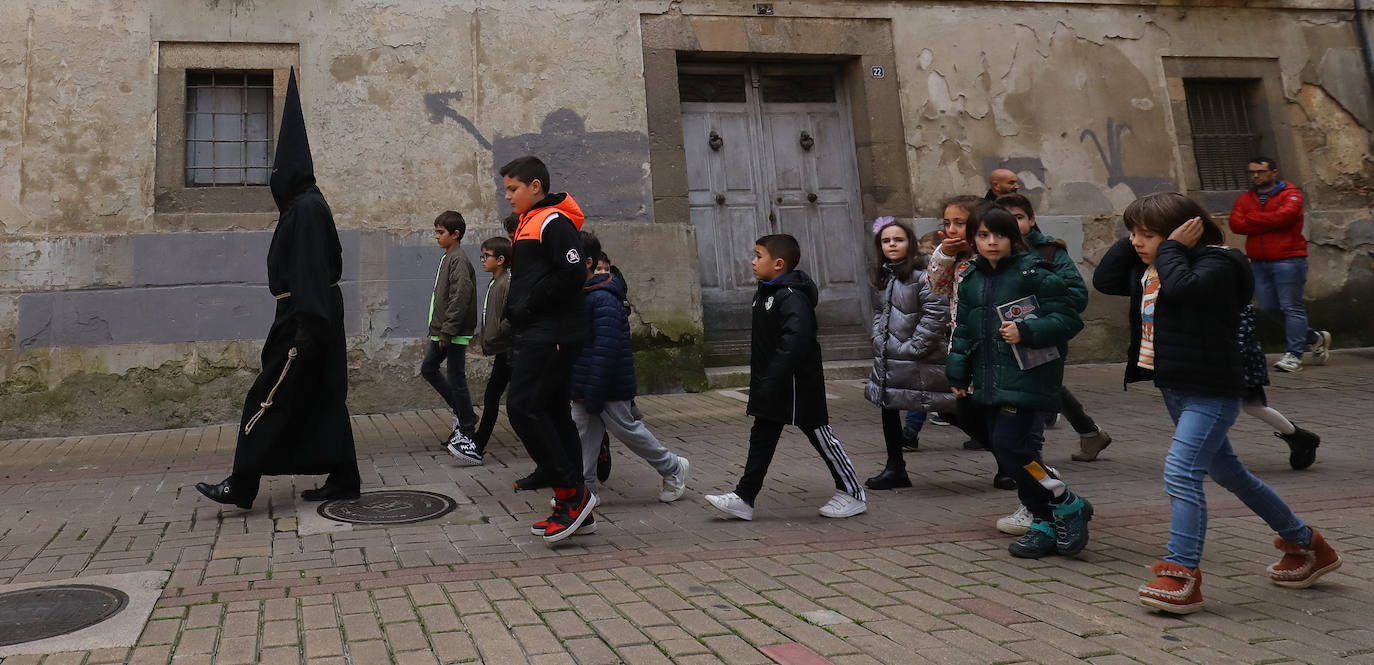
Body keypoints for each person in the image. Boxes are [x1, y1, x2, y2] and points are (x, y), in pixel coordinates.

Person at [1094, 192, 1341, 615]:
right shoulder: (1151, 263)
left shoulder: (1221, 263)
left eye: (1146, 234)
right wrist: (1138, 232)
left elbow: (1186, 290)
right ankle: (1307, 545)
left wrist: (1170, 246)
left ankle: (1181, 574)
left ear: (1183, 233)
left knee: (1181, 471)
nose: (1137, 241)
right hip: (1175, 385)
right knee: (1230, 473)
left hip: (1213, 387)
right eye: (1133, 233)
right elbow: (1105, 281)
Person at [195, 68, 360, 509]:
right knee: (322, 397)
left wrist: (305, 326)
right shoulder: (307, 205)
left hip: (304, 318)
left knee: (267, 396)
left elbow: (306, 271)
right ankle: (345, 476)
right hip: (316, 312)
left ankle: (242, 482)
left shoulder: (304, 210)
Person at [946, 206, 1090, 559]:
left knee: (1013, 448)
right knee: (1008, 452)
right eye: (983, 236)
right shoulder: (971, 279)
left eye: (999, 235)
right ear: (973, 239)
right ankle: (1042, 521)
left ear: (1013, 238)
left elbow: (1068, 319)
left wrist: (1027, 330)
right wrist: (957, 372)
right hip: (989, 379)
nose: (992, 243)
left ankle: (1067, 502)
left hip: (1030, 376)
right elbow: (963, 329)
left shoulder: (1034, 273)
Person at [705, 234, 867, 520]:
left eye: (758, 256)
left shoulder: (791, 296)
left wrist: (775, 376)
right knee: (762, 437)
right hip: (773, 383)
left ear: (778, 264)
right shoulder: (765, 292)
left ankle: (853, 492)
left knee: (819, 433)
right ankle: (744, 497)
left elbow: (795, 340)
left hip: (797, 384)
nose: (752, 261)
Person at [500, 155, 595, 543]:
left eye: (512, 189)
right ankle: (574, 506)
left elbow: (572, 272)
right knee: (554, 414)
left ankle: (572, 491)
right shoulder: (530, 222)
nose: (507, 196)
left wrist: (527, 306)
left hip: (552, 332)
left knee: (522, 406)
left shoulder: (553, 222)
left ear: (534, 186)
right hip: (541, 330)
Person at [566, 232, 690, 515]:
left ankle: (673, 467)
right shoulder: (582, 294)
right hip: (587, 384)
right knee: (583, 432)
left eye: (569, 258)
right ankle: (586, 491)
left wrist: (594, 392)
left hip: (608, 384)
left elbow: (606, 351)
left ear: (586, 262)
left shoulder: (603, 298)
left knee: (627, 429)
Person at [996, 194, 1113, 463]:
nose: (1011, 225)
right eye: (1004, 219)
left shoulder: (1050, 252)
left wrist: (1037, 313)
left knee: (1037, 392)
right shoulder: (992, 252)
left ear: (1032, 219)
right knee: (1048, 387)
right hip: (1005, 339)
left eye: (1018, 217)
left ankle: (1032, 465)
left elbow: (1075, 295)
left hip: (1043, 336)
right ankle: (1089, 433)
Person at [863, 218, 954, 490]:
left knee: (954, 410)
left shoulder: (923, 273)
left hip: (920, 357)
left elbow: (936, 312)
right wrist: (879, 336)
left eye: (898, 239)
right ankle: (895, 467)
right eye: (886, 240)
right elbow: (881, 310)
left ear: (910, 244)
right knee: (888, 405)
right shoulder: (885, 274)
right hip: (891, 355)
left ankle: (1006, 462)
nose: (892, 244)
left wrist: (914, 347)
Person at [928, 196, 1006, 487]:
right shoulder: (956, 259)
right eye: (947, 223)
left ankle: (1011, 465)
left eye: (959, 223)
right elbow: (936, 286)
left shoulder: (992, 255)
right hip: (964, 349)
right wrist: (945, 254)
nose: (951, 229)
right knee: (965, 411)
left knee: (998, 412)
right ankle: (1009, 458)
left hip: (996, 347)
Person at [1228, 157, 1331, 373]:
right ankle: (1313, 337)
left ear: (1274, 172)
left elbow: (1284, 218)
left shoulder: (1291, 194)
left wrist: (1253, 219)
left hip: (1288, 259)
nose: (1256, 176)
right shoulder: (1246, 198)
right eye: (1252, 172)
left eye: (1261, 171)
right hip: (1258, 261)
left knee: (1291, 306)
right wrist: (1268, 220)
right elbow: (1236, 224)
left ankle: (1294, 355)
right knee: (1268, 307)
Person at [422, 211, 480, 463]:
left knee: (453, 376)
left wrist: (447, 330)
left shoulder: (458, 259)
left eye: (440, 232)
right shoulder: (449, 257)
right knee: (431, 369)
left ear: (455, 235)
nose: (436, 236)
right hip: (444, 330)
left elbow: (460, 297)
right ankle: (463, 413)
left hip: (452, 332)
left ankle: (466, 425)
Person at [1236, 303, 1321, 470]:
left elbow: (1241, 335)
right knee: (1245, 407)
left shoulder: (1233, 298)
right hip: (1223, 358)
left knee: (1253, 406)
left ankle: (1298, 436)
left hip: (1239, 360)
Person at [472, 235, 514, 456]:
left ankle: (478, 445)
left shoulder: (505, 283)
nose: (482, 260)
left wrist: (498, 332)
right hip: (501, 350)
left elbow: (512, 316)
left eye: (486, 256)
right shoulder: (495, 281)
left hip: (508, 350)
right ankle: (478, 444)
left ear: (500, 259)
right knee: (492, 396)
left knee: (499, 399)